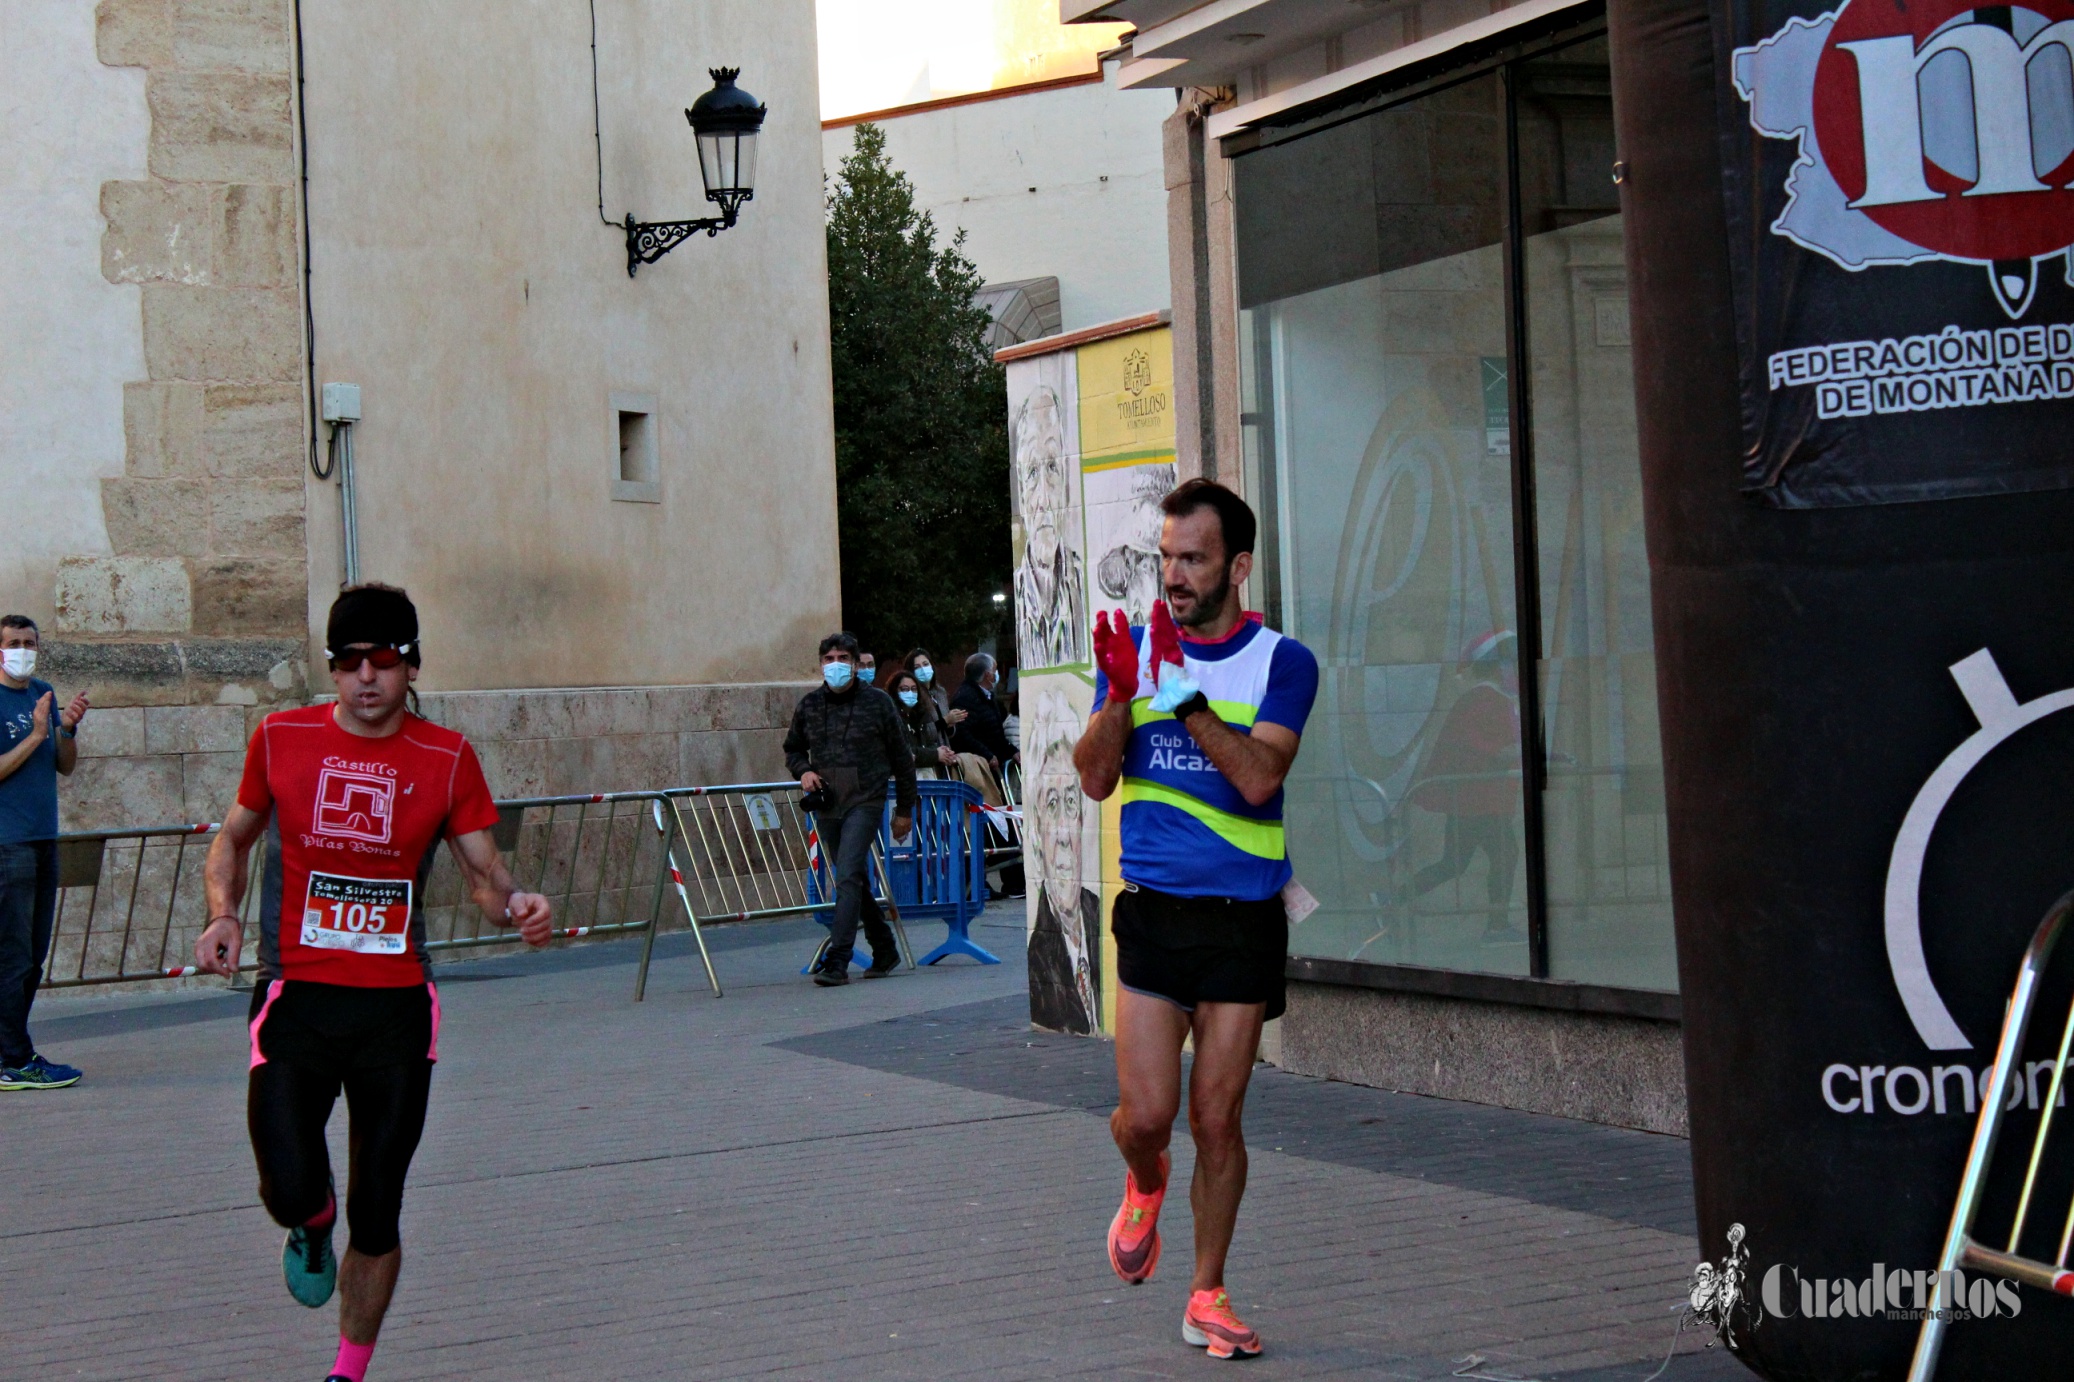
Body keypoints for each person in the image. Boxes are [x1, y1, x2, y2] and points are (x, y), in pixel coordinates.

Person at [194, 585, 553, 1382]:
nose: (365, 677)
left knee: (379, 1205)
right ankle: (310, 1223)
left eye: (383, 660)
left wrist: (515, 904)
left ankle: (346, 1373)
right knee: (290, 1187)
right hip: (297, 996)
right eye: (349, 662)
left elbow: (484, 871)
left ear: (411, 664)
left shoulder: (447, 756)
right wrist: (223, 912)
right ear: (332, 668)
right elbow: (233, 838)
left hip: (395, 1010)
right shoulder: (280, 739)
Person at [1073, 478, 1318, 1361]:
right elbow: (1097, 778)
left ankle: (1207, 1293)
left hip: (1242, 922)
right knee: (1147, 1117)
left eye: (1194, 559)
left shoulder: (1283, 663)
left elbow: (1260, 777)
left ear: (1238, 567)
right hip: (1153, 916)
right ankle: (1144, 1183)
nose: (1173, 575)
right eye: (1166, 557)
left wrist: (1183, 700)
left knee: (1218, 1120)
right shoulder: (1136, 648)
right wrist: (1117, 696)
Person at [784, 632, 916, 986]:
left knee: (845, 874)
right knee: (852, 877)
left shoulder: (879, 704)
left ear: (856, 665)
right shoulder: (809, 705)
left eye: (843, 658)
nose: (835, 665)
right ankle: (884, 947)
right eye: (828, 659)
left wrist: (904, 810)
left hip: (866, 799)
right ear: (821, 664)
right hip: (828, 801)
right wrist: (805, 771)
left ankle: (838, 959)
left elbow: (903, 760)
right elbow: (793, 750)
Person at [0, 615, 88, 1091]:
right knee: (11, 957)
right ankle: (14, 1058)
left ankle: (11, 1052)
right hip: (6, 843)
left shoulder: (43, 690)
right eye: (13, 643)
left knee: (32, 957)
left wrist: (67, 730)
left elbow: (64, 766)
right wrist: (34, 734)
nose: (22, 650)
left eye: (29, 643)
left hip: (42, 839)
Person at [949, 652, 1018, 770]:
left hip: (992, 763)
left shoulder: (987, 697)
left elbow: (996, 734)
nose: (997, 675)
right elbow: (962, 734)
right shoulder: (965, 698)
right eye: (995, 671)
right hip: (978, 766)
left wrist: (1013, 752)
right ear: (988, 675)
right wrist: (987, 755)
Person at [887, 669, 957, 779]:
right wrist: (936, 754)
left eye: (914, 689)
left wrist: (943, 752)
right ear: (894, 691)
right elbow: (905, 751)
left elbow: (924, 744)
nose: (910, 692)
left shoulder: (919, 715)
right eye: (904, 689)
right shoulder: (891, 717)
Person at [903, 648, 966, 732]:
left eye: (925, 664)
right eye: (917, 667)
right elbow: (917, 732)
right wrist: (945, 721)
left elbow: (946, 732)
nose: (923, 669)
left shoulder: (940, 692)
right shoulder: (912, 695)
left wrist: (951, 723)